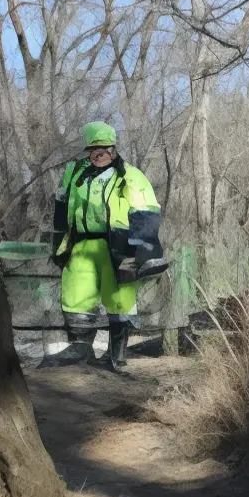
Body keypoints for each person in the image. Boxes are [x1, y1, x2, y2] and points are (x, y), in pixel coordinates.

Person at [49, 121, 166, 371]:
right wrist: (58, 244)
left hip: (117, 247)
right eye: (93, 149)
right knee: (76, 299)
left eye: (104, 148)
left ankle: (116, 357)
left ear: (113, 149)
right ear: (87, 150)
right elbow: (61, 210)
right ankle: (81, 355)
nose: (98, 154)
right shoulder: (74, 173)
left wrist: (140, 250)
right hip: (80, 244)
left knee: (120, 300)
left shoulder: (130, 175)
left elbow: (145, 213)